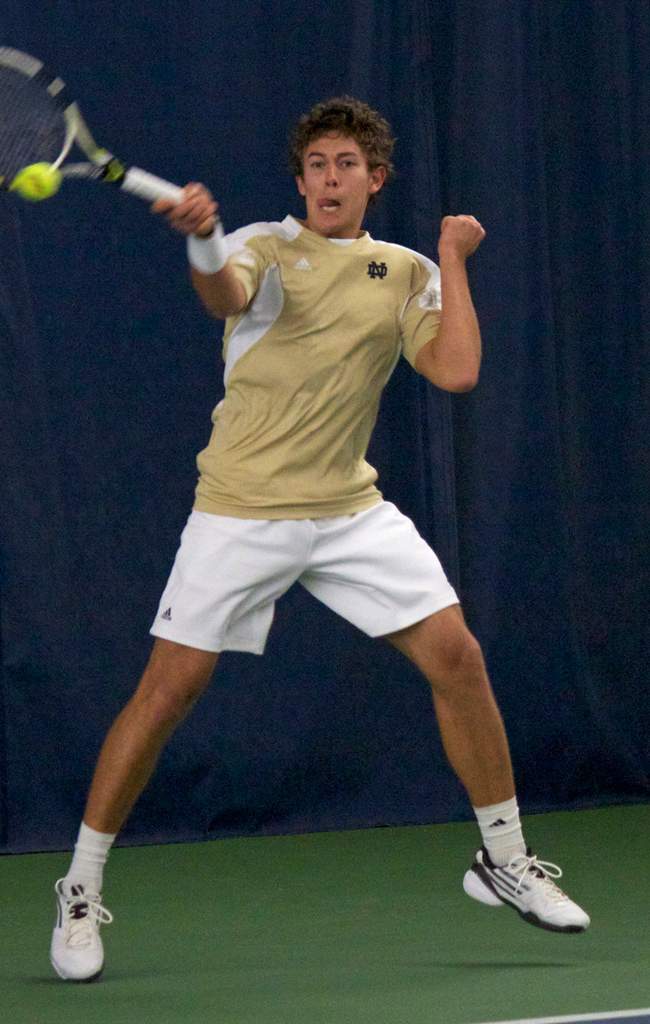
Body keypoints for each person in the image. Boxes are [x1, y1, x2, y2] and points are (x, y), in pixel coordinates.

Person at [50, 97, 590, 983]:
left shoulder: (406, 269)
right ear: (298, 181)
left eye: (347, 165)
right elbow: (222, 289)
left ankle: (504, 858)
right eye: (316, 166)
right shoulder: (262, 245)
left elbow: (455, 370)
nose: (329, 180)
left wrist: (452, 261)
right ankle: (79, 885)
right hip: (240, 509)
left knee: (458, 656)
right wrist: (199, 236)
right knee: (169, 691)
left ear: (375, 179)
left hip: (348, 511)